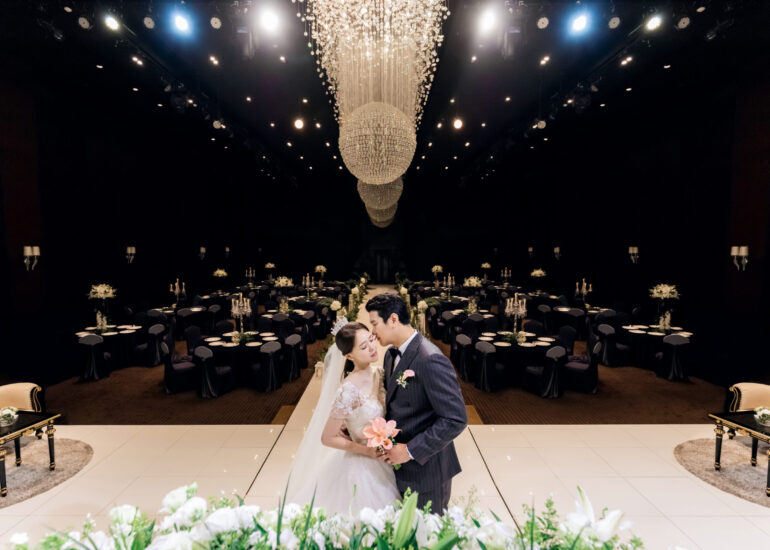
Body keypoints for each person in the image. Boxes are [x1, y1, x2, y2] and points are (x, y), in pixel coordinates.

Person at [366, 293, 467, 512]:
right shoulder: (390, 355)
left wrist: (409, 451)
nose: (372, 331)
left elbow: (455, 419)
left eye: (374, 323)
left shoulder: (430, 358)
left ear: (393, 319)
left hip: (427, 473)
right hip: (398, 471)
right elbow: (394, 405)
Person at [287, 321, 401, 513]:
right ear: (349, 356)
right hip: (362, 464)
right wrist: (365, 450)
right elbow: (327, 437)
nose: (372, 347)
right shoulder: (349, 389)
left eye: (371, 339)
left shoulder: (379, 373)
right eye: (363, 346)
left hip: (384, 457)